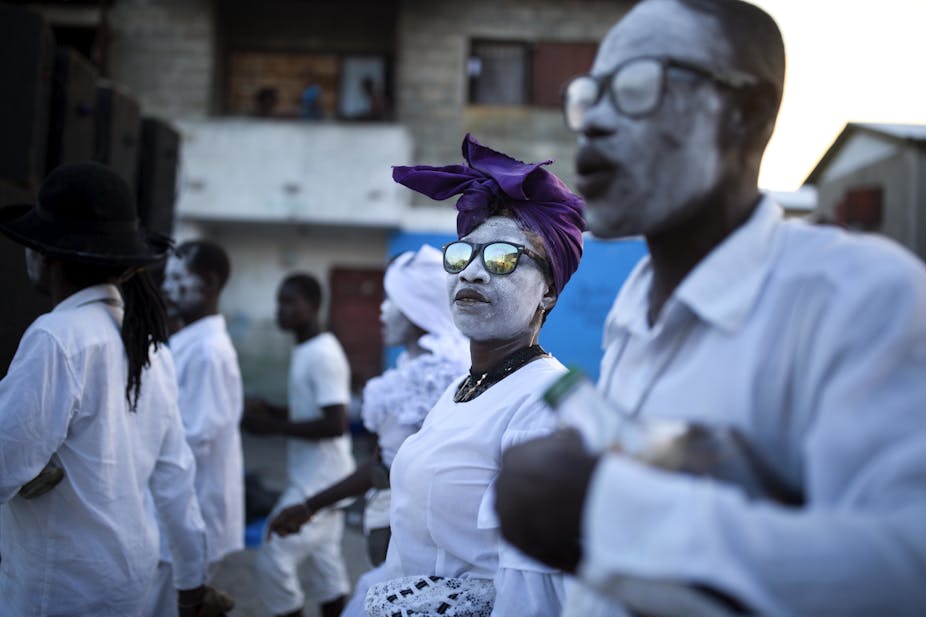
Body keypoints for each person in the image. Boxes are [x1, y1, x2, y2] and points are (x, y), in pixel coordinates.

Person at [494, 1, 926, 616]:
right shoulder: (634, 309)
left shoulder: (855, 298)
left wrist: (609, 511)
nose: (595, 124)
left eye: (639, 87)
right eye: (591, 97)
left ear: (746, 114)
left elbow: (907, 573)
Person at [351, 133, 585, 617]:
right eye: (462, 255)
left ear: (548, 292)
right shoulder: (462, 389)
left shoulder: (544, 404)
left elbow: (535, 597)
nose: (472, 273)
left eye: (502, 258)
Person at [0, 162, 223, 616]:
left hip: (60, 588)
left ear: (46, 256)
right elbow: (176, 481)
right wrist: (192, 583)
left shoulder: (56, 337)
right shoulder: (151, 350)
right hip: (126, 579)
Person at [267, 244, 469, 570]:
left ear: (418, 308)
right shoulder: (411, 371)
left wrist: (309, 506)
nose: (382, 310)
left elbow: (387, 466)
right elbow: (383, 462)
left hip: (420, 534)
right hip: (396, 524)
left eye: (392, 300)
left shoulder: (436, 378)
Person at [242, 273, 355, 617]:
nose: (281, 309)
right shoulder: (307, 348)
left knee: (273, 553)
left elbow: (335, 423)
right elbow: (313, 411)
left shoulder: (322, 354)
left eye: (290, 301)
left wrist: (272, 427)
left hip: (318, 482)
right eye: (279, 301)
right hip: (324, 476)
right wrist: (273, 409)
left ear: (314, 305)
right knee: (326, 568)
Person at [144, 240, 245, 616]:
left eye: (177, 279)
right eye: (166, 279)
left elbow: (196, 438)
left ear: (210, 283)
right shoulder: (192, 342)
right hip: (179, 512)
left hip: (191, 511)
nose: (167, 288)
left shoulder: (207, 352)